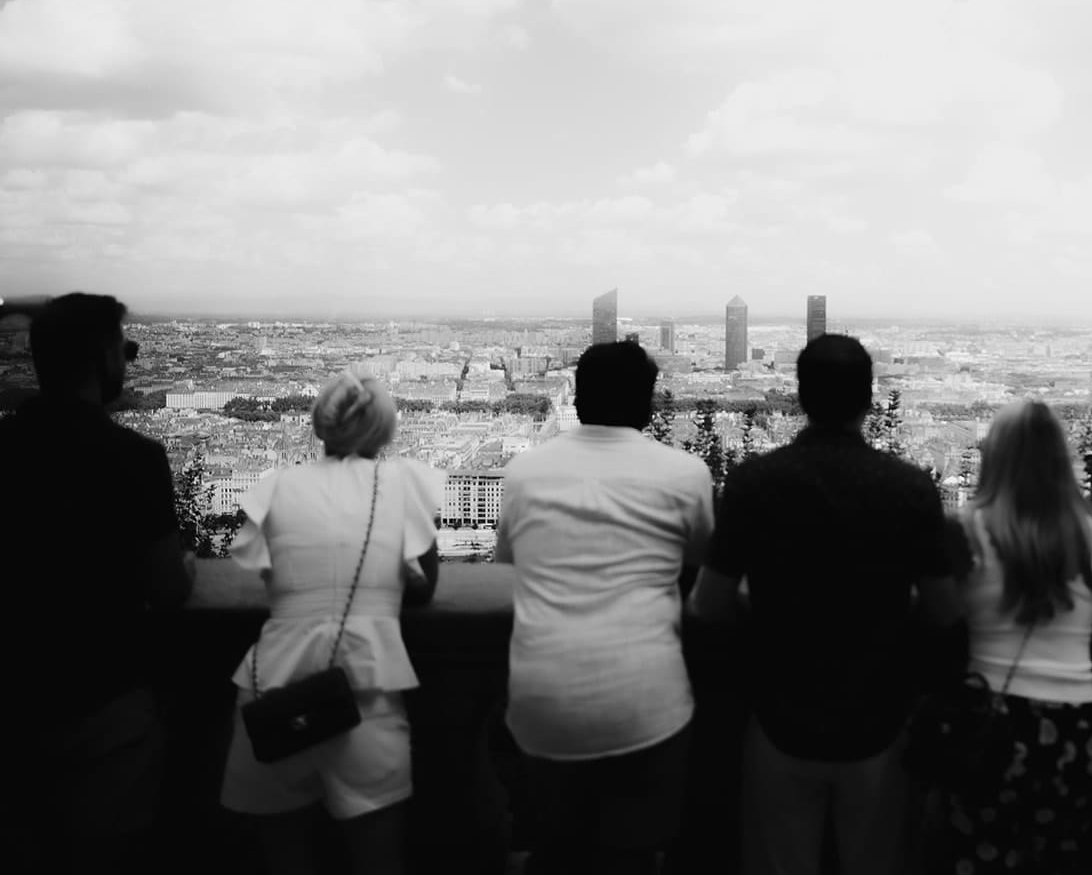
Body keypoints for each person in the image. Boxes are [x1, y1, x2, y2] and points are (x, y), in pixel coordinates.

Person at [688, 334, 964, 875]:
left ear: (800, 395)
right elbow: (943, 612)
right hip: (878, 718)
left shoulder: (755, 483)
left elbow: (709, 605)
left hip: (779, 712)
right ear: (868, 398)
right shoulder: (908, 489)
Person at [0, 293, 195, 874]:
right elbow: (167, 591)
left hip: (0, 699)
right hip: (106, 699)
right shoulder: (136, 458)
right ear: (102, 360)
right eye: (126, 349)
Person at [496, 341, 715, 875]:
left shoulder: (525, 473)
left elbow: (507, 566)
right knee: (633, 854)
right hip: (647, 697)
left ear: (576, 398)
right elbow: (701, 563)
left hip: (543, 699)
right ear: (647, 404)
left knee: (555, 849)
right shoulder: (686, 474)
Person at [219, 370, 443, 875]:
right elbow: (426, 585)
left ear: (322, 427)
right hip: (364, 686)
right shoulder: (402, 483)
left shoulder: (276, 486)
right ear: (383, 431)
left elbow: (270, 573)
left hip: (271, 691)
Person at [927, 400, 1092, 875]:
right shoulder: (1085, 530)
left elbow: (944, 610)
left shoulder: (967, 527)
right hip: (1075, 721)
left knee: (979, 855)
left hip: (994, 719)